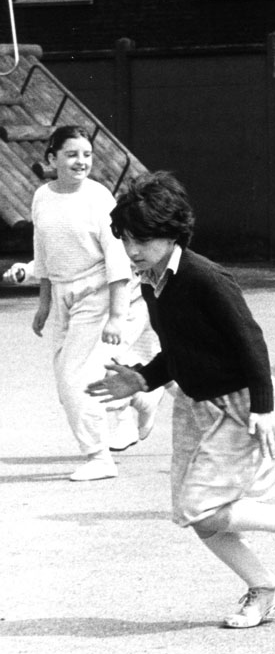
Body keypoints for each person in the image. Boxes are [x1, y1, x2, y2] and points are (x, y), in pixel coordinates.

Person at [85, 172, 275, 629]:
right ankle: (265, 588)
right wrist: (142, 379)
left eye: (143, 240)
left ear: (172, 234)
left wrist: (263, 407)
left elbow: (251, 341)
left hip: (241, 406)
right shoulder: (152, 281)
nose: (132, 250)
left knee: (201, 507)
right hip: (196, 406)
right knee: (197, 516)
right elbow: (179, 351)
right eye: (126, 239)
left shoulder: (205, 277)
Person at [28, 125, 160, 482]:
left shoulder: (99, 198)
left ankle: (99, 458)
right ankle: (138, 396)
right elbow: (44, 252)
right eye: (72, 154)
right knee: (66, 380)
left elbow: (117, 259)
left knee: (75, 379)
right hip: (63, 296)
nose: (81, 161)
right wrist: (44, 304)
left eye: (86, 155)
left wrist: (117, 316)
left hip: (98, 293)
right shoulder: (42, 197)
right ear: (52, 158)